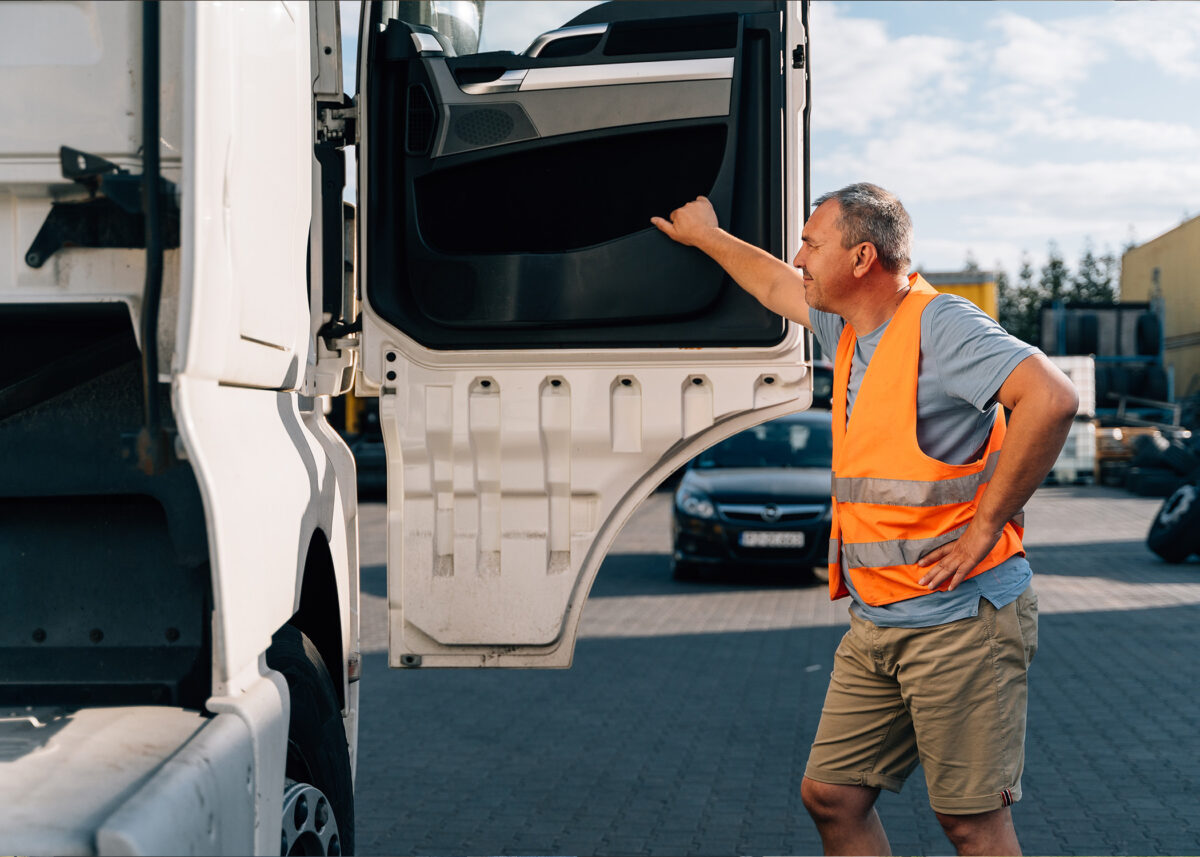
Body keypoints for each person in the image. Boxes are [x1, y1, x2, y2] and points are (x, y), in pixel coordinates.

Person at [652, 183, 1078, 856]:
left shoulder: (941, 325)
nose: (798, 256)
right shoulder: (850, 324)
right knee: (833, 797)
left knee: (971, 824)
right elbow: (772, 285)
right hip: (878, 622)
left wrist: (984, 525)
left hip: (958, 623)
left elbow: (1051, 398)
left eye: (812, 244)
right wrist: (706, 235)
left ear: (861, 259)